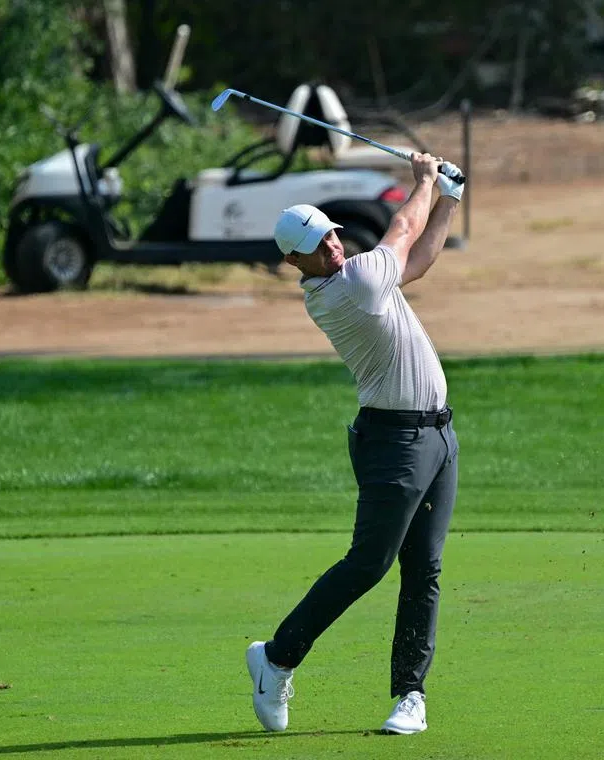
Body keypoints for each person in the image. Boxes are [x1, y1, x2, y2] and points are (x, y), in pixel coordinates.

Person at [246, 153, 465, 736]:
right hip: (394, 442)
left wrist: (449, 198)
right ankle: (276, 657)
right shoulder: (347, 288)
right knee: (369, 563)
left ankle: (409, 696)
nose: (334, 248)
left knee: (425, 569)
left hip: (438, 437)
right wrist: (424, 181)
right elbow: (402, 229)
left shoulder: (362, 276)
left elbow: (417, 261)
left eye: (333, 236)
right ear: (294, 260)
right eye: (319, 246)